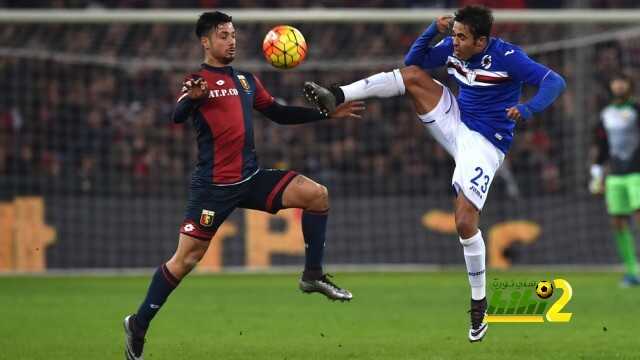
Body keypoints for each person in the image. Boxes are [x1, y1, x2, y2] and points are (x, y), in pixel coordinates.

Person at [304, 5, 565, 342]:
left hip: (485, 143)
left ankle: (478, 304)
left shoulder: (508, 56)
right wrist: (432, 31)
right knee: (412, 77)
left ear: (481, 41)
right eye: (453, 35)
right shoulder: (453, 47)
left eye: (461, 37)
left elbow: (554, 81)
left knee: (464, 222)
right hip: (455, 120)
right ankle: (336, 95)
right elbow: (414, 62)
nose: (454, 42)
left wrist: (528, 108)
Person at [123, 11, 364, 360]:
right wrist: (192, 98)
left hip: (250, 178)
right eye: (223, 35)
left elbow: (279, 113)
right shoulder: (197, 80)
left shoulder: (247, 81)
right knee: (185, 260)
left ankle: (312, 275)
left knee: (316, 195)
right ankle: (139, 324)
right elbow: (176, 116)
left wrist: (325, 114)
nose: (231, 40)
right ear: (205, 41)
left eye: (233, 34)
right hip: (213, 188)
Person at [589, 74, 640, 287]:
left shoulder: (637, 109)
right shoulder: (606, 114)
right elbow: (601, 147)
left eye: (622, 81)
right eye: (615, 81)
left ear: (630, 85)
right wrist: (596, 175)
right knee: (618, 223)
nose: (618, 84)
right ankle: (632, 272)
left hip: (637, 173)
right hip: (615, 176)